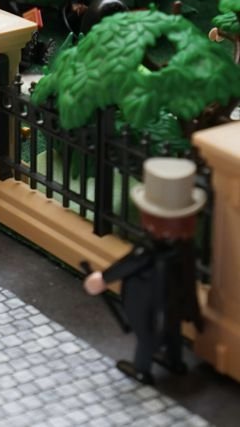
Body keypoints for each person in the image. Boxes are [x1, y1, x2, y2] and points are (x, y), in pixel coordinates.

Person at [83, 157, 206, 384]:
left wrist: (102, 278)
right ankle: (175, 361)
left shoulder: (148, 250)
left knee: (147, 336)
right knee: (172, 329)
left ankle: (142, 369)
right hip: (174, 298)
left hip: (146, 301)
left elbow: (128, 265)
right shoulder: (185, 247)